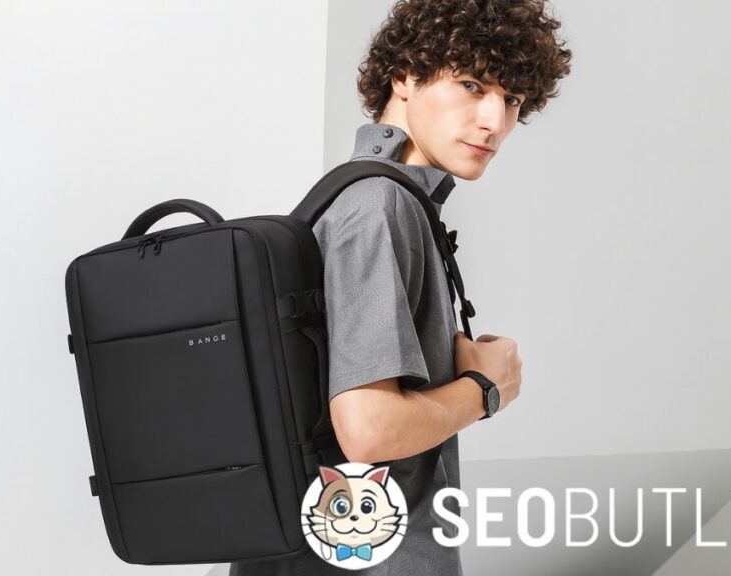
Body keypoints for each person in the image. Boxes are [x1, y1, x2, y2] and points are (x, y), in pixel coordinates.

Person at [230, 0, 570, 573]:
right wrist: (486, 386)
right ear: (405, 76)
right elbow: (368, 429)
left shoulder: (387, 200)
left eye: (512, 99)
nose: (496, 121)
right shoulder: (378, 206)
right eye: (472, 84)